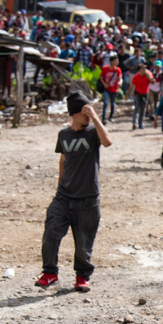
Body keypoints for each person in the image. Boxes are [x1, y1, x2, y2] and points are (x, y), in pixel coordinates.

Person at [36, 92, 113, 292]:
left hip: (88, 197)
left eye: (88, 110)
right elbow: (63, 159)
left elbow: (107, 142)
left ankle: (82, 277)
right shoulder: (64, 135)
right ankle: (50, 273)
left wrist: (95, 117)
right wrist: (59, 186)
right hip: (64, 195)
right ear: (73, 113)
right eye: (83, 111)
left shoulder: (93, 131)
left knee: (83, 241)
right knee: (51, 232)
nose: (86, 114)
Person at [130, 65, 152, 130]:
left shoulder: (148, 74)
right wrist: (127, 94)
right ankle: (134, 124)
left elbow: (153, 81)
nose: (145, 69)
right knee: (136, 108)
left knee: (143, 110)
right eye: (143, 68)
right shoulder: (136, 76)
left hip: (145, 94)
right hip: (137, 94)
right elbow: (131, 86)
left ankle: (141, 124)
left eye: (145, 68)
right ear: (139, 70)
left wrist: (149, 77)